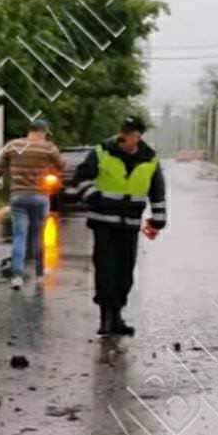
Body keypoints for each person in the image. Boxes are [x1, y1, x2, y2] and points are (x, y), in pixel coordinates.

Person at [71, 117, 167, 337]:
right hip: (103, 223)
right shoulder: (101, 152)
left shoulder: (149, 158)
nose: (128, 137)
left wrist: (158, 220)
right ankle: (106, 318)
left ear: (139, 135)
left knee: (125, 272)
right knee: (106, 270)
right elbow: (81, 179)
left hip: (129, 224)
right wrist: (94, 198)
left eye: (132, 133)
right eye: (125, 132)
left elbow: (157, 190)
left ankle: (117, 316)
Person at [0, 118, 65, 291]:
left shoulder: (13, 145)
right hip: (40, 196)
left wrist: (2, 177)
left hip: (18, 196)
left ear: (29, 130)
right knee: (38, 236)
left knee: (19, 236)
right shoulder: (48, 147)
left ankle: (17, 276)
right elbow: (61, 165)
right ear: (44, 131)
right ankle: (39, 275)